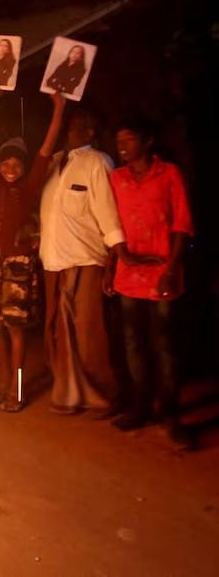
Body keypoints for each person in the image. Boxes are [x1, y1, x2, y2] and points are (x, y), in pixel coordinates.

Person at [106, 121, 195, 447]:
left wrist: (172, 267)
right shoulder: (117, 178)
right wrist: (110, 266)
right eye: (119, 140)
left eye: (129, 139)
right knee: (132, 341)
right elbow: (111, 224)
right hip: (129, 273)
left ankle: (170, 413)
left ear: (148, 141)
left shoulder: (169, 174)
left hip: (162, 272)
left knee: (164, 344)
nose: (123, 146)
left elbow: (182, 224)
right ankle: (142, 406)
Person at [39, 109, 133, 415]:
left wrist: (116, 258)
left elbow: (108, 211)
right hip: (54, 259)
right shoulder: (54, 162)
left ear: (91, 132)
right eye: (70, 125)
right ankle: (68, 394)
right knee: (59, 331)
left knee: (90, 333)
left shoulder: (97, 162)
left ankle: (104, 395)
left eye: (80, 127)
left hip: (86, 258)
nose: (71, 131)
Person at [0, 86, 65, 412]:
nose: (10, 167)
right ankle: (6, 380)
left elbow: (45, 150)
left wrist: (58, 108)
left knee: (14, 328)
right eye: (6, 162)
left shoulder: (29, 187)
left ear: (25, 168)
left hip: (17, 264)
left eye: (17, 163)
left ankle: (16, 389)